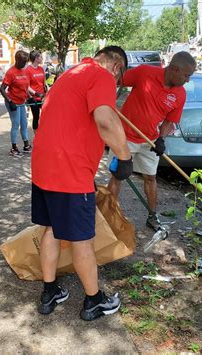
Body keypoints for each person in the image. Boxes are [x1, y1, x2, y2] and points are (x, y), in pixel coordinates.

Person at [31, 46, 133, 321]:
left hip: (43, 165)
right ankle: (93, 301)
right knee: (80, 239)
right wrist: (124, 157)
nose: (117, 82)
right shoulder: (101, 76)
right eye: (120, 76)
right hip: (70, 170)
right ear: (116, 66)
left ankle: (49, 292)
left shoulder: (70, 74)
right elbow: (104, 119)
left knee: (51, 228)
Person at [107, 51, 196, 231]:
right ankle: (107, 215)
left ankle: (152, 216)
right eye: (187, 75)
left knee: (150, 177)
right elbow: (117, 80)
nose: (188, 80)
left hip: (149, 140)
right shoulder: (145, 73)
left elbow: (169, 120)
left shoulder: (180, 94)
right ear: (175, 69)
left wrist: (161, 139)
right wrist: (108, 99)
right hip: (123, 136)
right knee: (118, 176)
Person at [0, 50, 31, 156]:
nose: (24, 64)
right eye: (23, 61)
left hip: (21, 102)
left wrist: (30, 96)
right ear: (17, 60)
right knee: (16, 123)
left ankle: (26, 145)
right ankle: (13, 148)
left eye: (26, 61)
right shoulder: (11, 72)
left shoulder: (25, 71)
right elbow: (2, 89)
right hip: (12, 102)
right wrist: (10, 101)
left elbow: (25, 87)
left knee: (24, 123)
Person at [25, 50, 47, 132]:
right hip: (34, 98)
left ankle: (44, 133)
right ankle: (36, 136)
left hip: (43, 97)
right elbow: (26, 86)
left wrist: (46, 92)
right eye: (40, 57)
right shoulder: (28, 70)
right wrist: (35, 93)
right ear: (36, 58)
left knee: (47, 115)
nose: (42, 58)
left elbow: (44, 82)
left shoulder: (41, 69)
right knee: (36, 117)